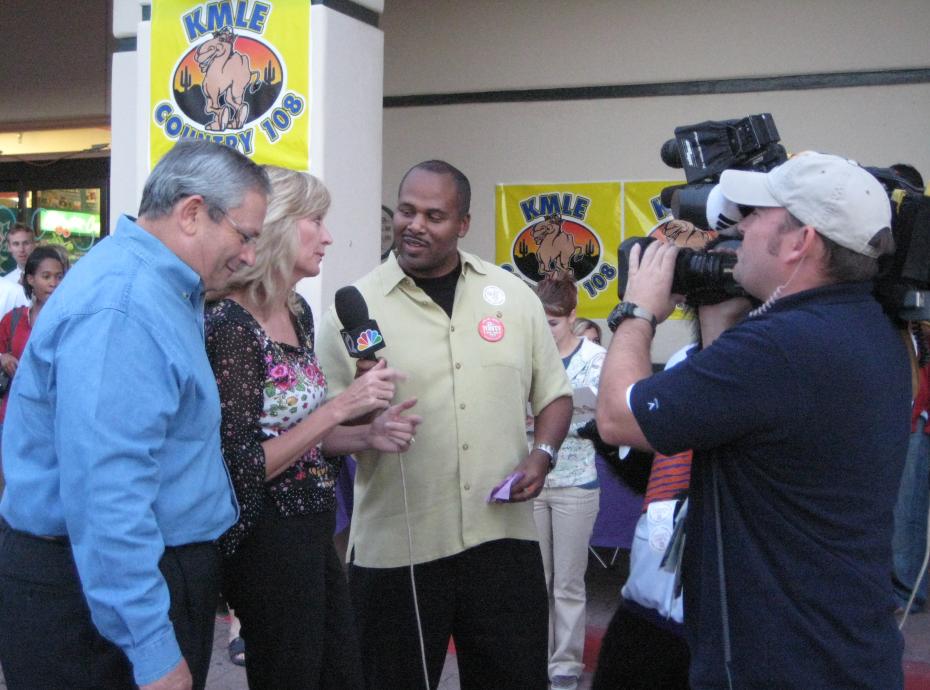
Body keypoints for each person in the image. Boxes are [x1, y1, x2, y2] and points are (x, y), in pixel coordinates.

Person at [596, 152, 910, 688]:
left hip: (784, 662)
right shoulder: (864, 328)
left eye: (754, 215)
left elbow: (618, 417)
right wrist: (721, 312)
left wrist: (638, 311)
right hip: (837, 649)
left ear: (799, 242)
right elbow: (734, 418)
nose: (736, 229)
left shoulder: (783, 347)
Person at [0, 139, 270, 690]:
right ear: (192, 212)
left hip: (124, 579)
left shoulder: (159, 288)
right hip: (93, 597)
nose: (249, 256)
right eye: (244, 236)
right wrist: (152, 649)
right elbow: (107, 495)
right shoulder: (124, 307)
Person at [316, 160, 573, 690]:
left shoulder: (514, 297)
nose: (415, 224)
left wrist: (541, 455)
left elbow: (555, 395)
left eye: (435, 215)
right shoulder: (353, 310)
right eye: (407, 210)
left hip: (501, 539)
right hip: (398, 549)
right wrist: (367, 428)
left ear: (463, 224)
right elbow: (317, 435)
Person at [205, 166, 420, 690]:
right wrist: (340, 407)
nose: (328, 236)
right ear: (278, 226)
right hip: (266, 540)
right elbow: (241, 467)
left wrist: (366, 435)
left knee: (340, 673)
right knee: (291, 673)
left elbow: (306, 439)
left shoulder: (297, 309)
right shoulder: (230, 325)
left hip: (314, 526)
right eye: (316, 221)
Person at [530, 274, 604, 690]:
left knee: (568, 583)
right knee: (534, 579)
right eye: (540, 321)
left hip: (576, 482)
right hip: (533, 480)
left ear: (573, 317)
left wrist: (556, 421)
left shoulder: (596, 357)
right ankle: (533, 657)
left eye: (554, 323)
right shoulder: (528, 355)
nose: (546, 330)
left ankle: (566, 666)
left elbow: (604, 417)